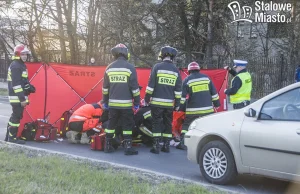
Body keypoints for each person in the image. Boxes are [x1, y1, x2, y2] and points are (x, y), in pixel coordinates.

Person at [102, 43, 140, 155]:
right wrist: (137, 102)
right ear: (125, 54)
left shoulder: (109, 68)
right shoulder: (130, 68)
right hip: (126, 105)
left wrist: (105, 102)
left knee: (111, 125)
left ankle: (107, 146)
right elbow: (135, 88)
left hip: (113, 104)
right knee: (127, 125)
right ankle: (128, 147)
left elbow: (105, 88)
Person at [145, 46, 182, 154]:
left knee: (156, 123)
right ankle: (166, 146)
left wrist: (147, 98)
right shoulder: (176, 70)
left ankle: (156, 146)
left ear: (162, 55)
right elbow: (178, 89)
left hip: (156, 102)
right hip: (169, 104)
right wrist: (177, 103)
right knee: (168, 123)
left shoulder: (157, 67)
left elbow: (151, 85)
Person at [177, 62, 220, 150]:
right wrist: (217, 104)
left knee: (187, 126)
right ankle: (208, 144)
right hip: (207, 110)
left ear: (189, 70)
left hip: (192, 110)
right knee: (208, 126)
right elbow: (214, 93)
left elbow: (182, 97)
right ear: (198, 69)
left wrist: (180, 108)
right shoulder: (206, 78)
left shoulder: (187, 80)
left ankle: (183, 143)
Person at [5, 44, 35, 144]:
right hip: (17, 97)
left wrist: (28, 87)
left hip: (19, 96)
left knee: (15, 116)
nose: (25, 56)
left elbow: (22, 82)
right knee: (16, 117)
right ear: (18, 54)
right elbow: (16, 85)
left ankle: (8, 136)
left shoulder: (20, 65)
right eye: (23, 54)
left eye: (26, 54)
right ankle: (12, 138)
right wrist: (22, 99)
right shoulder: (16, 66)